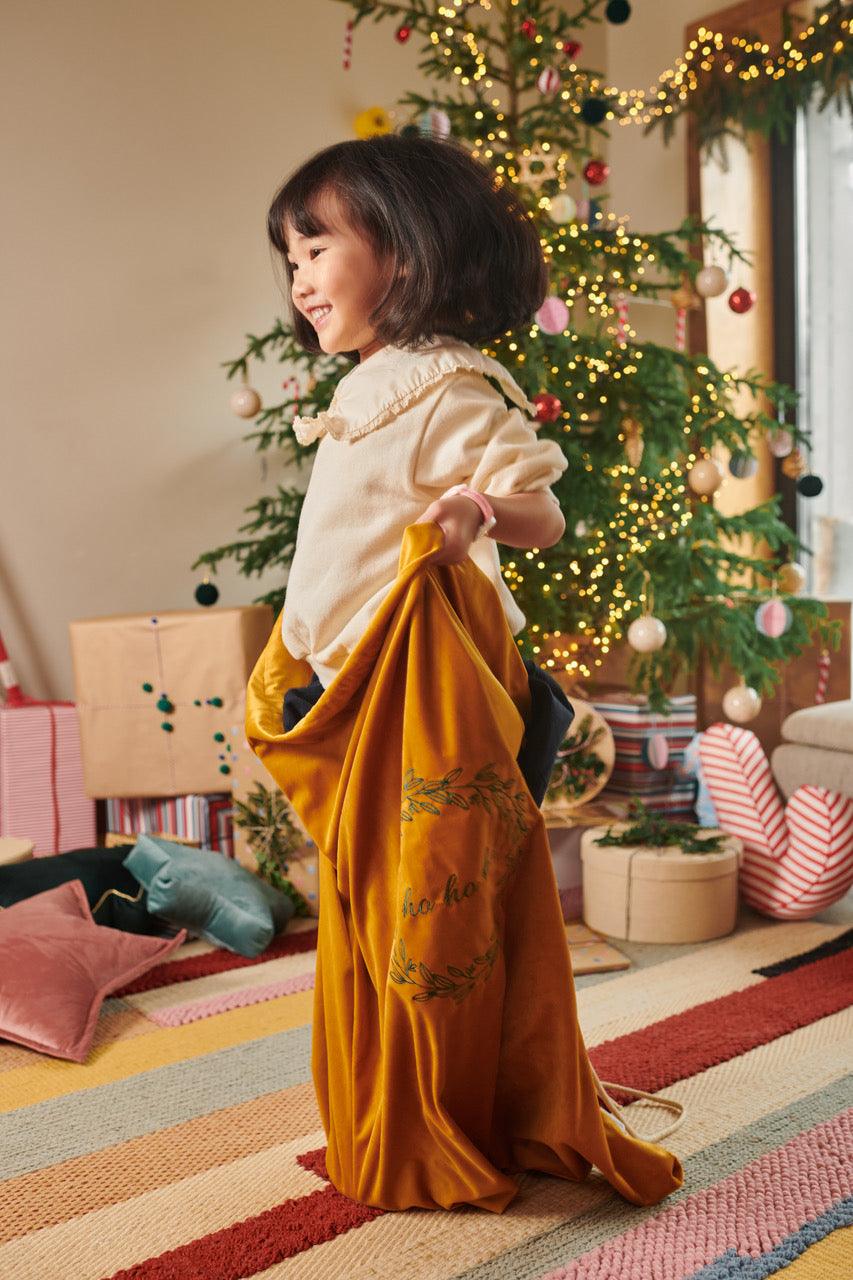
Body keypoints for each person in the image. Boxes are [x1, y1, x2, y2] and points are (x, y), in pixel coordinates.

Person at [254, 133, 685, 1212]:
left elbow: (541, 509)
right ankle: (392, 1106)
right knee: (366, 906)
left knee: (429, 916)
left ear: (402, 252)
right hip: (349, 686)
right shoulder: (360, 389)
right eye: (288, 257)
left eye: (317, 245)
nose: (299, 276)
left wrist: (474, 512)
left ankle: (443, 1114)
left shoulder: (450, 384)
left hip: (425, 694)